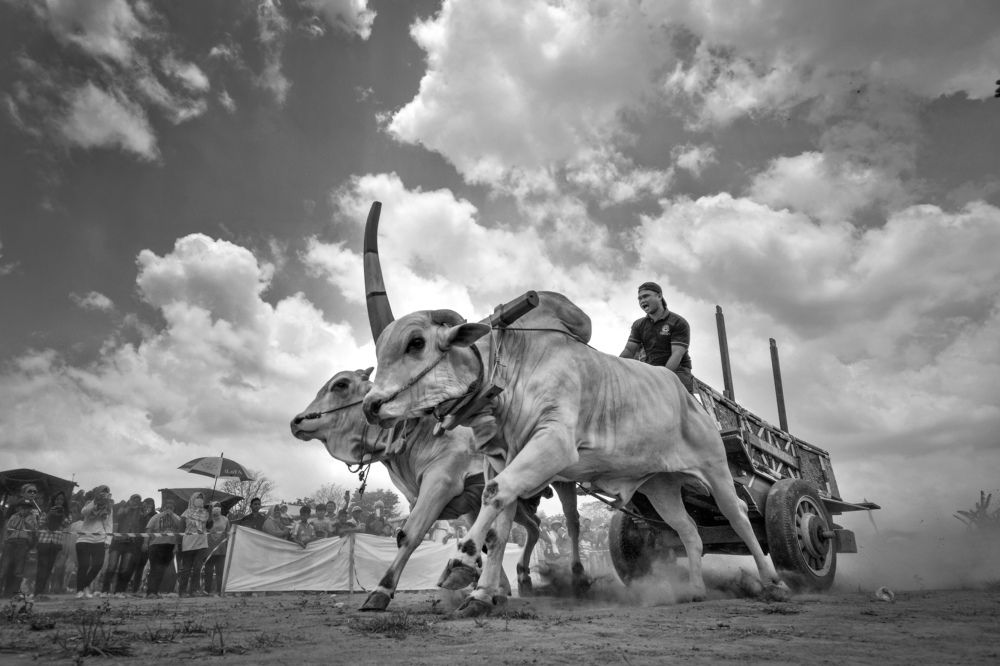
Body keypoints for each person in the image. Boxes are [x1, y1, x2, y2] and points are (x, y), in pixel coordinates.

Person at [620, 281, 695, 394]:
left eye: (646, 296)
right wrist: (616, 366)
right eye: (639, 299)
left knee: (679, 403)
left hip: (678, 371)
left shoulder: (678, 322)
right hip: (651, 371)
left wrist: (660, 378)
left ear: (659, 296)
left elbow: (677, 354)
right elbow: (629, 350)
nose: (642, 301)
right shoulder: (638, 325)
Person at [102, 494, 145, 598]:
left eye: (138, 500)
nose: (136, 502)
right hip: (117, 541)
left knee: (125, 568)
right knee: (112, 566)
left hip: (131, 543)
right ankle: (105, 590)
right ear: (130, 500)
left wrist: (140, 509)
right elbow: (119, 514)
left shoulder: (140, 511)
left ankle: (119, 591)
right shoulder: (122, 508)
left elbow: (143, 520)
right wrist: (129, 507)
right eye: (134, 500)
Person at [75, 485, 113, 599]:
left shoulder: (109, 507)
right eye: (102, 492)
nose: (104, 494)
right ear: (97, 493)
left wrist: (108, 540)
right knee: (84, 565)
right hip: (84, 539)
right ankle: (79, 590)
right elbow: (84, 512)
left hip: (99, 540)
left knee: (98, 565)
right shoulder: (89, 503)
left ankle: (85, 585)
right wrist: (95, 502)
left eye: (106, 492)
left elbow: (109, 524)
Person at [143, 500, 183, 598]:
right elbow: (148, 529)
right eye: (167, 506)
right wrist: (145, 542)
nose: (168, 508)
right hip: (156, 545)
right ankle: (150, 592)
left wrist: (176, 546)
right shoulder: (156, 517)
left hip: (170, 546)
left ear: (174, 508)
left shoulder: (177, 518)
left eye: (171, 507)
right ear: (163, 507)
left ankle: (155, 592)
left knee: (161, 570)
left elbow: (180, 531)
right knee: (154, 569)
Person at [1, 499, 38, 597]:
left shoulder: (32, 518)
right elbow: (9, 528)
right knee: (5, 567)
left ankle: (13, 592)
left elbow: (32, 529)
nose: (24, 510)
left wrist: (25, 519)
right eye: (22, 507)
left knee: (18, 569)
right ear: (18, 508)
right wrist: (4, 542)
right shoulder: (14, 516)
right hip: (11, 542)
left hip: (23, 542)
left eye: (27, 508)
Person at [177, 492, 209, 597]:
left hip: (201, 543)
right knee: (186, 568)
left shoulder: (205, 513)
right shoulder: (185, 513)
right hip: (188, 543)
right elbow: (181, 529)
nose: (200, 499)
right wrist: (179, 544)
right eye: (197, 498)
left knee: (197, 568)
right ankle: (182, 591)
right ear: (192, 499)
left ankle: (194, 590)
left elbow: (210, 525)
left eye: (201, 498)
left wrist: (211, 510)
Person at [33, 505, 66, 599]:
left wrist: (61, 515)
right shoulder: (45, 514)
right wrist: (49, 516)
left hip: (55, 544)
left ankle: (40, 591)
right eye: (54, 509)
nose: (56, 511)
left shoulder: (63, 516)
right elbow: (39, 524)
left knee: (48, 568)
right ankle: (37, 591)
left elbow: (67, 524)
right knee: (42, 567)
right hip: (44, 542)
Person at [128, 498, 157, 595]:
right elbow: (133, 525)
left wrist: (146, 543)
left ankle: (138, 589)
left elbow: (152, 530)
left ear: (153, 505)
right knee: (133, 565)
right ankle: (132, 588)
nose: (147, 506)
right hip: (136, 542)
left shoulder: (154, 515)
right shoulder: (139, 514)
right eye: (146, 504)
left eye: (150, 504)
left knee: (142, 567)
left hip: (148, 543)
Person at [202, 502, 229, 596]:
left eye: (219, 507)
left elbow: (228, 533)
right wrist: (208, 517)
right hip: (208, 549)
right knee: (208, 571)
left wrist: (228, 546)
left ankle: (220, 590)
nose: (217, 508)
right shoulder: (206, 519)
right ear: (211, 508)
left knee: (220, 571)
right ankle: (206, 590)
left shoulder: (225, 519)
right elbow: (203, 529)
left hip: (221, 549)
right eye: (215, 506)